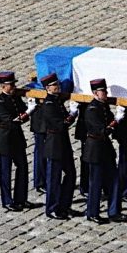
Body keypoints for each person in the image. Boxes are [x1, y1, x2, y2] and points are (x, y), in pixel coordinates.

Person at [39, 73, 79, 220]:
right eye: (55, 85)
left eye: (58, 84)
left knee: (71, 174)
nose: (58, 87)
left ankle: (64, 205)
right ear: (48, 88)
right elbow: (61, 125)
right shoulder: (49, 105)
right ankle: (52, 208)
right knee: (54, 179)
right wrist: (73, 115)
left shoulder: (56, 101)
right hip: (54, 145)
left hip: (63, 143)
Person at [0, 71, 34, 212]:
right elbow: (12, 121)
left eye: (14, 84)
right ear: (3, 86)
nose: (13, 87)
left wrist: (28, 111)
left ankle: (21, 198)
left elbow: (22, 114)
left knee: (22, 167)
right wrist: (27, 112)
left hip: (17, 138)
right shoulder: (0, 103)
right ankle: (7, 201)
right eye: (11, 85)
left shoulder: (14, 98)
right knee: (6, 172)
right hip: (5, 141)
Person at [81, 79, 117, 224]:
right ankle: (92, 212)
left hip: (105, 149)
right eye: (104, 91)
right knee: (95, 183)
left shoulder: (103, 106)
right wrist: (115, 123)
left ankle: (114, 211)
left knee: (114, 180)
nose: (106, 94)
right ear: (96, 93)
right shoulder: (92, 110)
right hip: (95, 150)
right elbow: (102, 130)